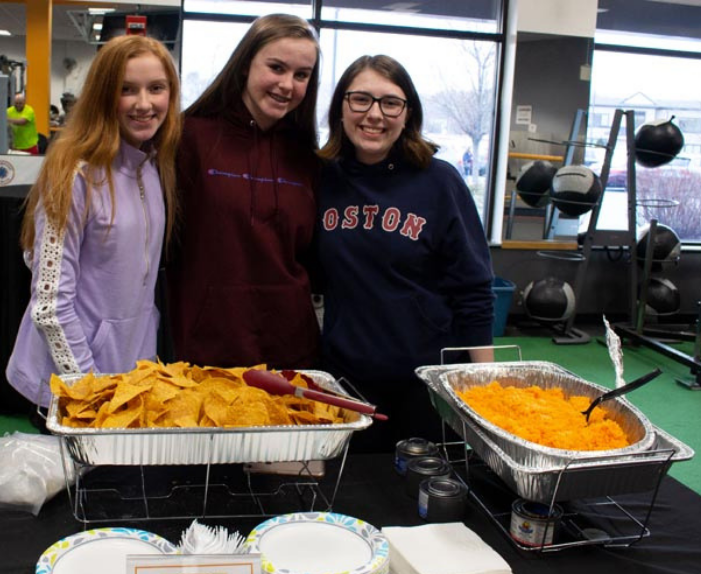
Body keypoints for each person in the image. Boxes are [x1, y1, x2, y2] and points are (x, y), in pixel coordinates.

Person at [316, 55, 495, 451]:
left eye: (390, 102)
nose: (374, 114)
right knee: (355, 493)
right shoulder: (322, 177)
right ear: (340, 108)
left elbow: (475, 290)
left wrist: (486, 385)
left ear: (407, 112)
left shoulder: (439, 181)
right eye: (360, 99)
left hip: (428, 381)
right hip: (347, 378)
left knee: (428, 496)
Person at [6, 35, 181, 413]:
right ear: (104, 95)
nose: (144, 104)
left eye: (156, 89)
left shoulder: (152, 166)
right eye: (127, 90)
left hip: (128, 378)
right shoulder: (74, 174)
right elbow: (50, 306)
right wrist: (91, 392)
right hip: (75, 386)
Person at [167, 14, 322, 369]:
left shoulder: (307, 156)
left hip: (292, 348)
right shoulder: (189, 137)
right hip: (207, 347)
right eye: (277, 67)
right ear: (244, 65)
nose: (287, 85)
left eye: (301, 75)